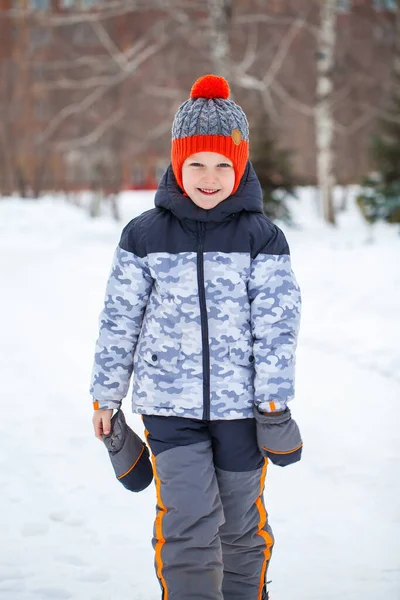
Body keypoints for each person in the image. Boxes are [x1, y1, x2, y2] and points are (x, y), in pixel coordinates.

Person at [90, 74, 302, 600]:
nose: (210, 177)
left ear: (242, 165)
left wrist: (273, 403)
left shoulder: (262, 237)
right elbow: (120, 317)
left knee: (238, 527)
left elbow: (277, 324)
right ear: (177, 164)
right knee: (187, 523)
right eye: (197, 164)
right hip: (168, 407)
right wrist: (106, 395)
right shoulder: (144, 234)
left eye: (223, 164)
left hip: (241, 410)